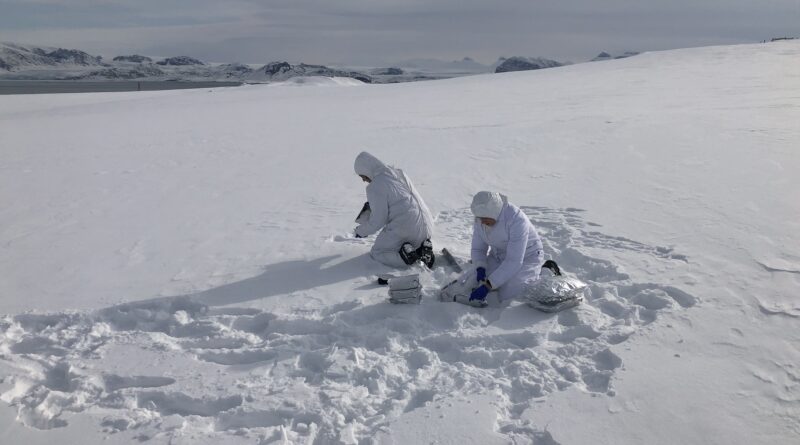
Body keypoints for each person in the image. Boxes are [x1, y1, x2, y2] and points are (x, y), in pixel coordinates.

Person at [353, 151, 435, 268]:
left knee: (378, 252)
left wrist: (361, 231)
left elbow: (378, 221)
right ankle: (423, 249)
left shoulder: (375, 186)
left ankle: (414, 259)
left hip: (408, 228)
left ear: (366, 171)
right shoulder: (399, 173)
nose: (363, 180)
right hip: (427, 226)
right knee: (405, 236)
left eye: (363, 176)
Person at [468, 191, 545, 303]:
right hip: (498, 255)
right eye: (479, 218)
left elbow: (513, 260)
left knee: (509, 293)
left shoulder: (516, 219)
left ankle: (546, 269)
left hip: (527, 256)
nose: (482, 222)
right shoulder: (481, 220)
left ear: (493, 212)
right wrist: (480, 267)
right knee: (473, 280)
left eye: (484, 218)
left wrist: (488, 285)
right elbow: (478, 249)